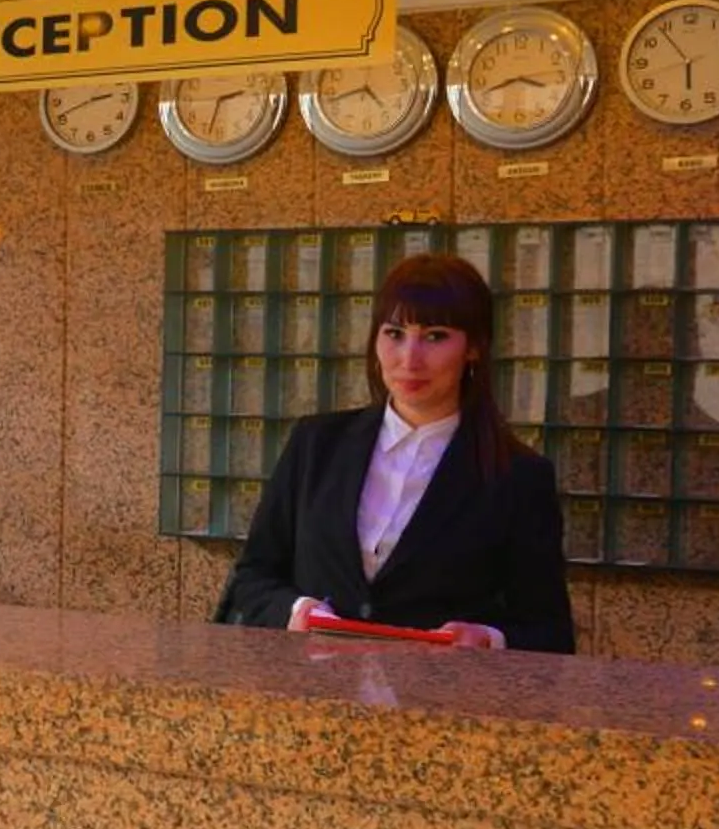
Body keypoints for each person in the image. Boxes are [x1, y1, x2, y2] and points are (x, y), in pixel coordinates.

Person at [222, 253, 576, 652]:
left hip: (435, 705)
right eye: (394, 333)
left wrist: (490, 639)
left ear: (474, 347)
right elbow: (252, 578)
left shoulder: (518, 476)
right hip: (312, 696)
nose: (410, 359)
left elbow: (550, 632)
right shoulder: (316, 444)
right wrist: (297, 610)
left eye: (435, 336)